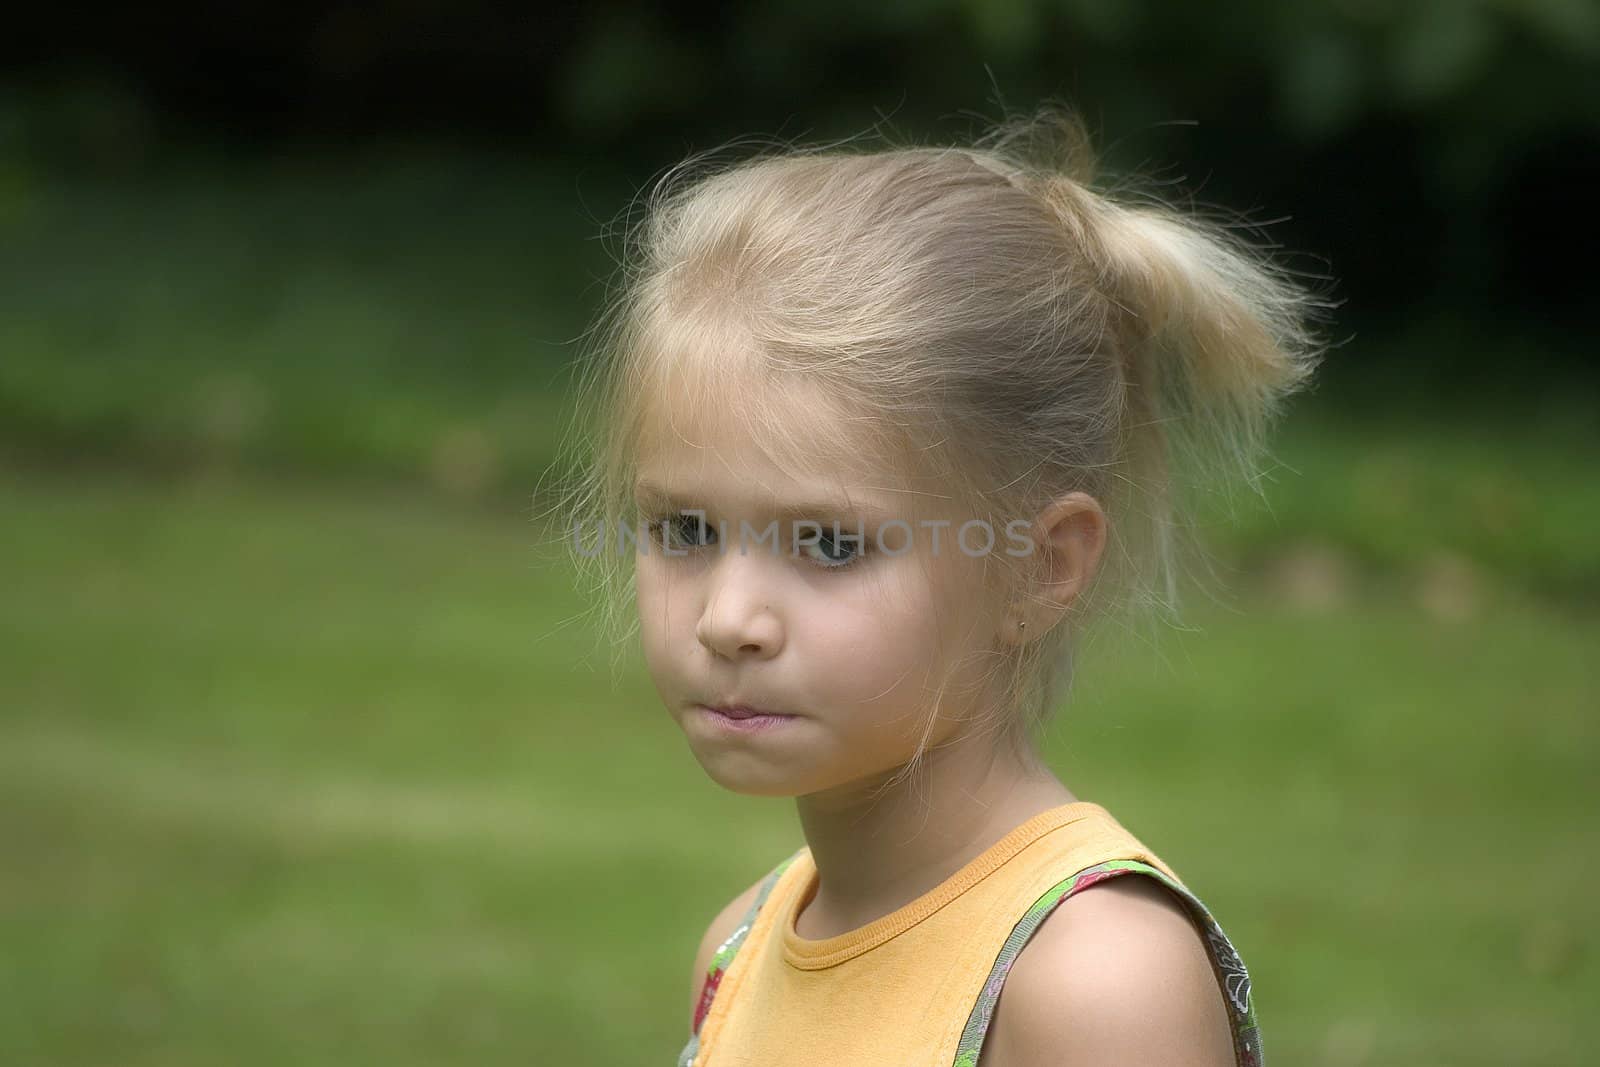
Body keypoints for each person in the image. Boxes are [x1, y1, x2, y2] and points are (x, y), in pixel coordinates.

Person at [548, 101, 1328, 1066]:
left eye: (829, 545)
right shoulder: (742, 944)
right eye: (686, 529)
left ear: (1039, 566)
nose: (728, 618)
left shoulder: (1092, 983)